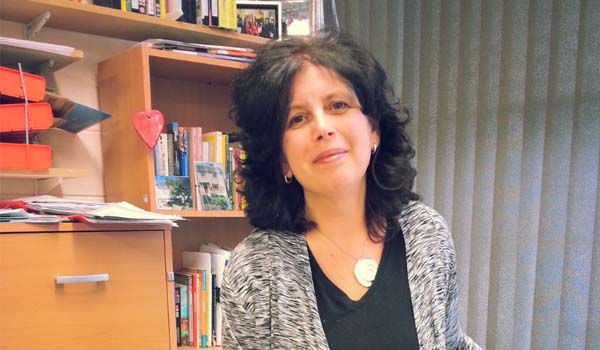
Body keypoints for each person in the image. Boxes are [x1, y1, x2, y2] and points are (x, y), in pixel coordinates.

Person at [222, 31, 480, 350]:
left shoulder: (426, 235)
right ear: (280, 158)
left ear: (373, 129)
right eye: (297, 118)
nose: (322, 128)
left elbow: (453, 344)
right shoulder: (255, 269)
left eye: (338, 105)